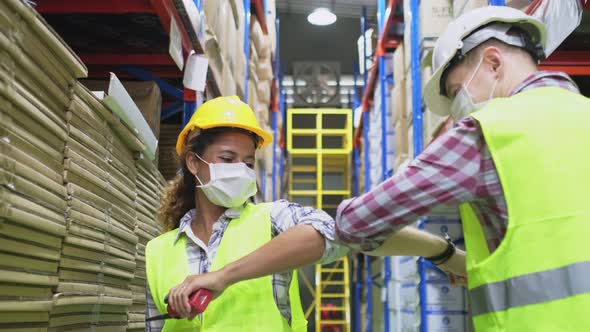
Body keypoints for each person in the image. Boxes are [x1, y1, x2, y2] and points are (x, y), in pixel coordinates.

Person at [335, 6, 590, 331]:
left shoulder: (487, 132)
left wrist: (442, 252)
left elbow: (354, 224)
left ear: (493, 62)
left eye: (457, 93)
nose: (458, 110)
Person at [145, 96, 348, 331]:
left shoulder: (271, 219)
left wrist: (222, 276)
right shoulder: (157, 253)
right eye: (227, 159)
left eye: (248, 163)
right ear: (193, 162)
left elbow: (331, 234)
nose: (240, 170)